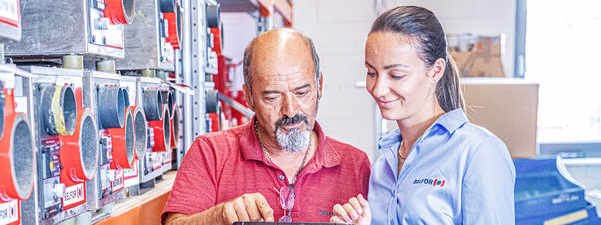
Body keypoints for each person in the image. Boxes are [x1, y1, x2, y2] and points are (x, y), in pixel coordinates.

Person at [162, 28, 371, 225]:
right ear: (249, 98)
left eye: (302, 93)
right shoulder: (211, 153)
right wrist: (220, 216)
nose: (290, 110)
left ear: (319, 86)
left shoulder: (356, 165)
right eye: (272, 97)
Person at [330, 6, 516, 225]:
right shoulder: (383, 165)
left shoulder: (478, 152)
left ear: (436, 71)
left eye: (396, 75)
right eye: (372, 73)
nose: (378, 89)